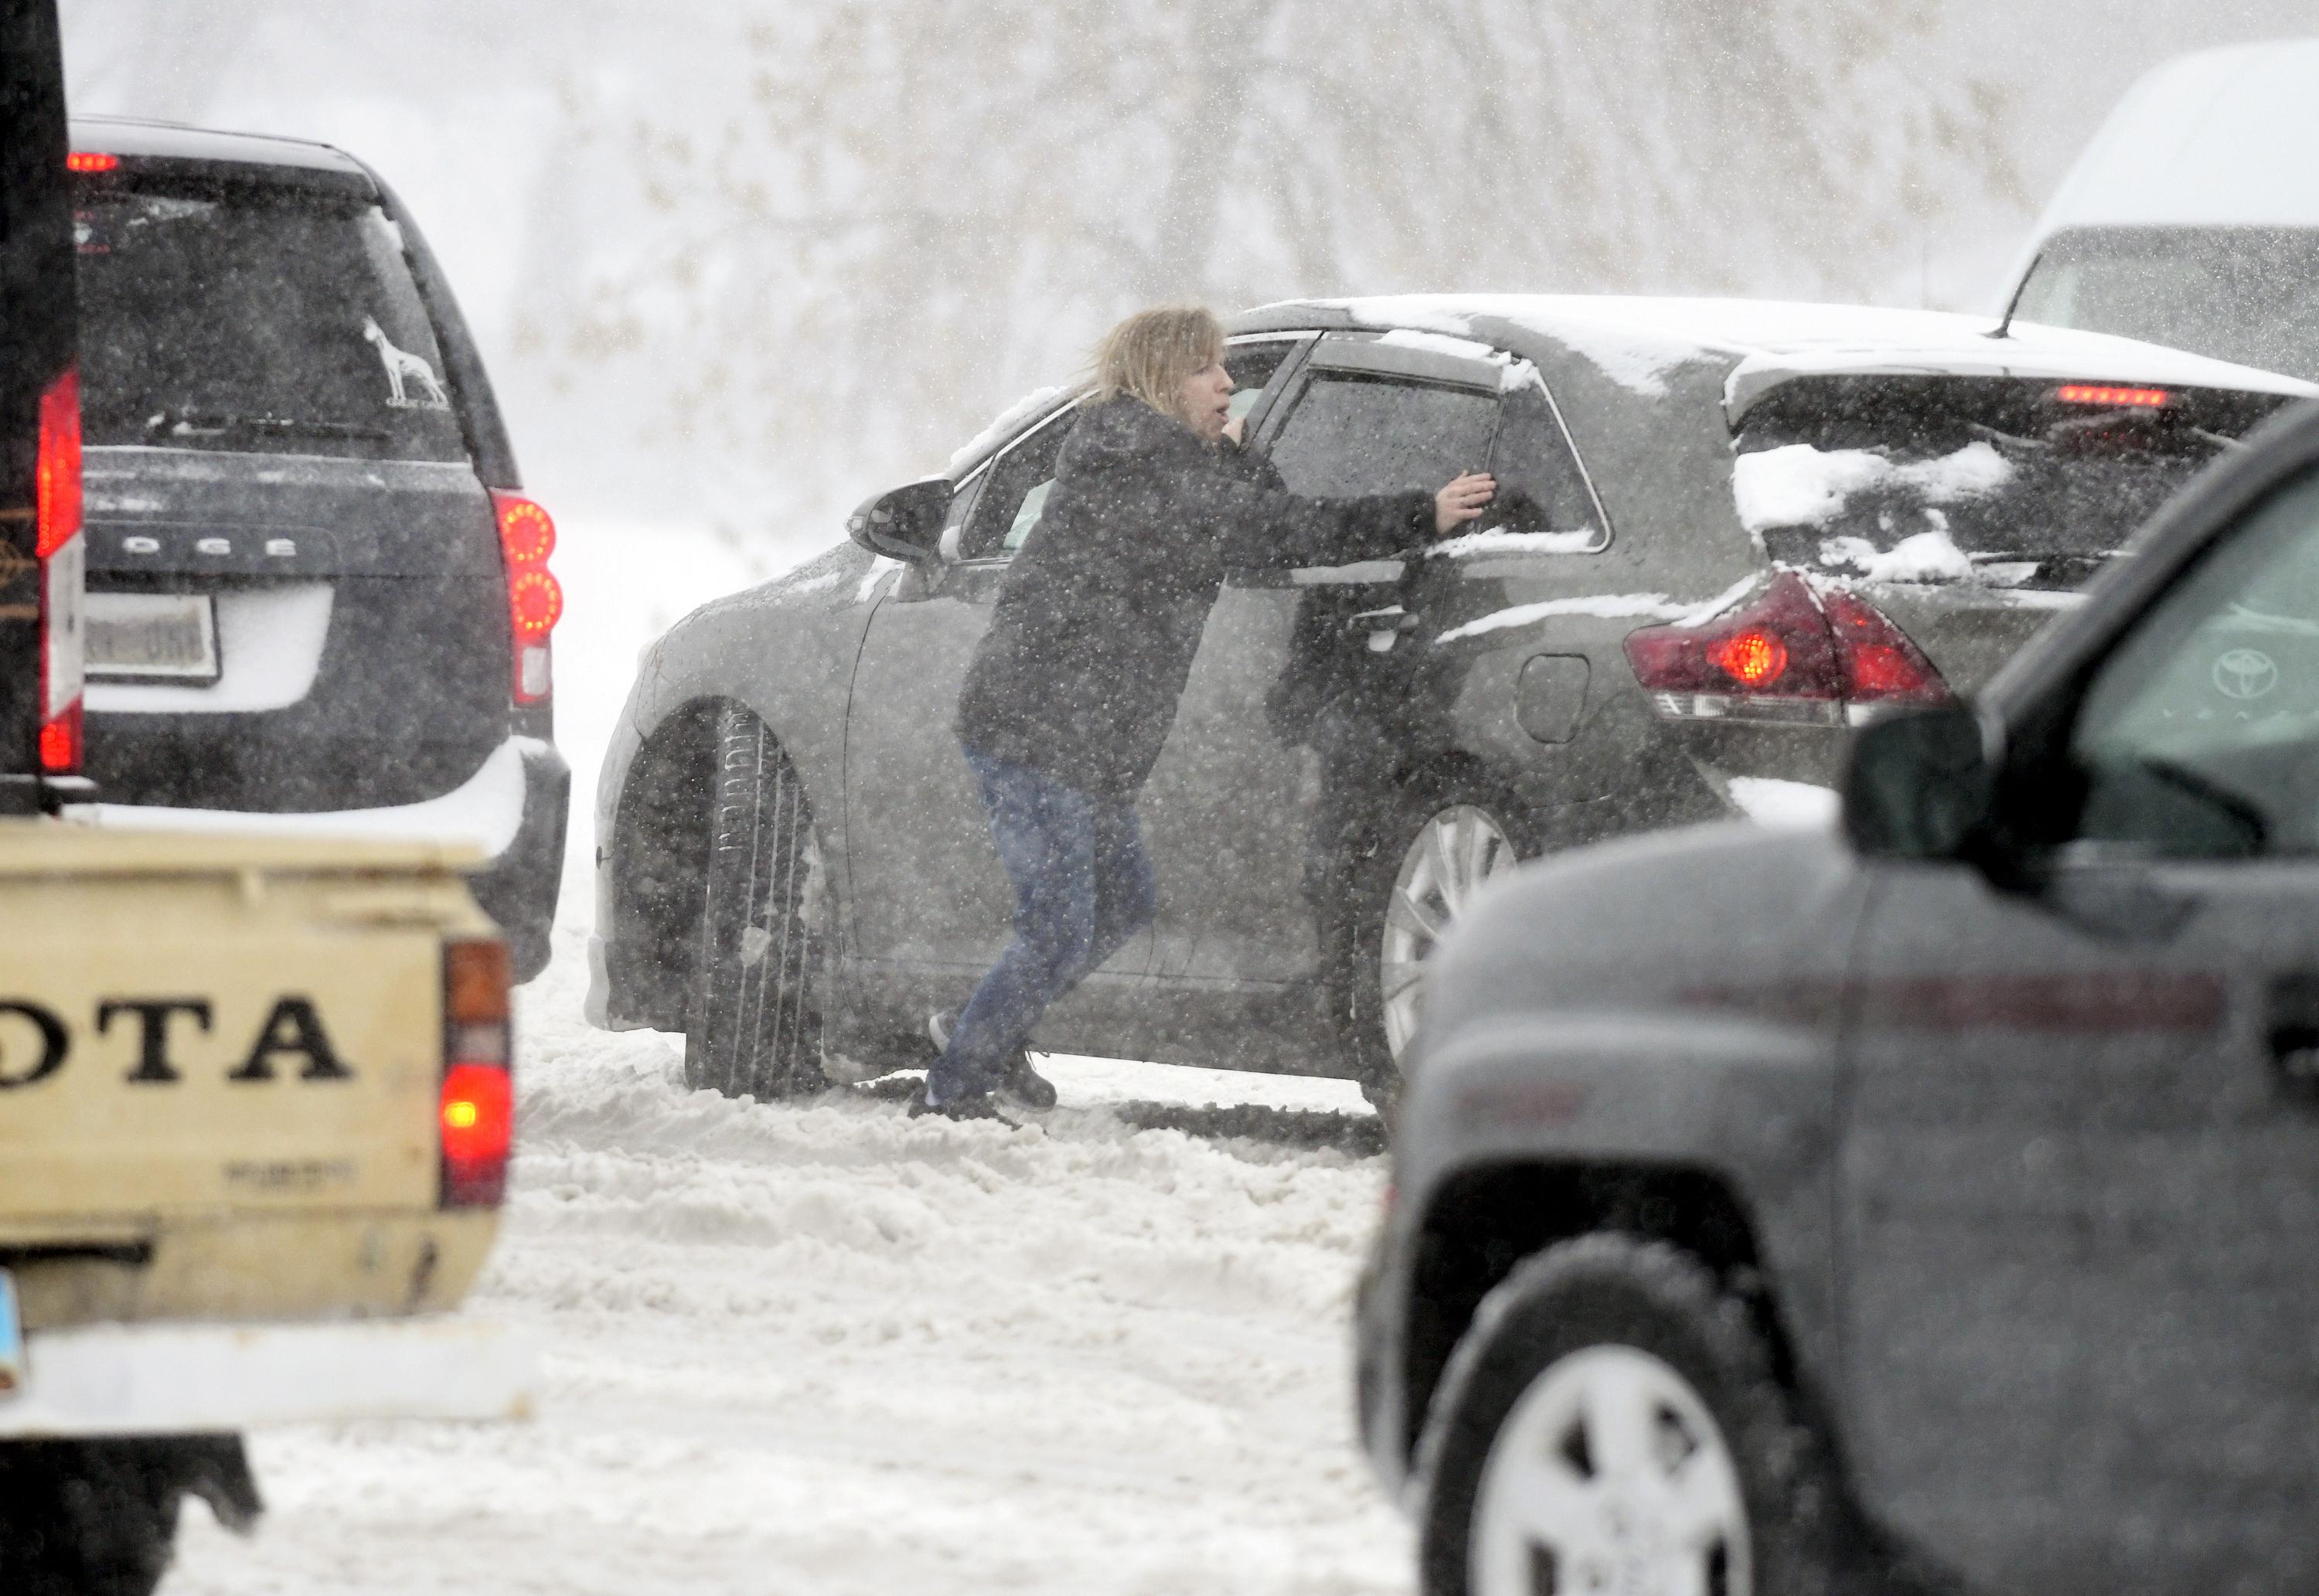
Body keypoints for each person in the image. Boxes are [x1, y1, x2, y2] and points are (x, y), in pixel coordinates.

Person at [913, 305, 1495, 1120]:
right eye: (1206, 369)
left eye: (1226, 367)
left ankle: (985, 1030)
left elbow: (1252, 508)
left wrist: (1239, 453)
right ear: (1159, 379)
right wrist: (1418, 513)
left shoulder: (1178, 465)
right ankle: (954, 1089)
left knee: (1120, 904)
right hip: (1035, 724)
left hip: (1093, 736)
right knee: (1061, 918)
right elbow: (1273, 530)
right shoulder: (1132, 466)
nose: (1228, 382)